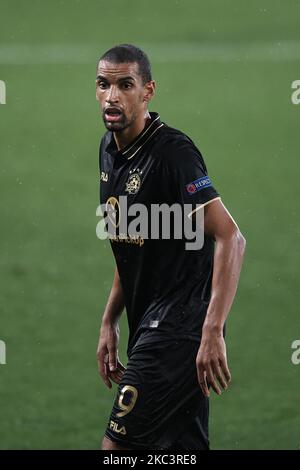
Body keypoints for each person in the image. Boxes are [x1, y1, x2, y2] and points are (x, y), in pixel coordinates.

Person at [96, 44, 246, 450]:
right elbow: (130, 245)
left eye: (125, 85)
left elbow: (231, 236)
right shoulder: (109, 152)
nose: (112, 96)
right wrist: (110, 319)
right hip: (148, 321)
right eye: (104, 84)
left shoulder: (172, 154)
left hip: (181, 326)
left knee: (118, 448)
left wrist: (212, 330)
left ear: (148, 92)